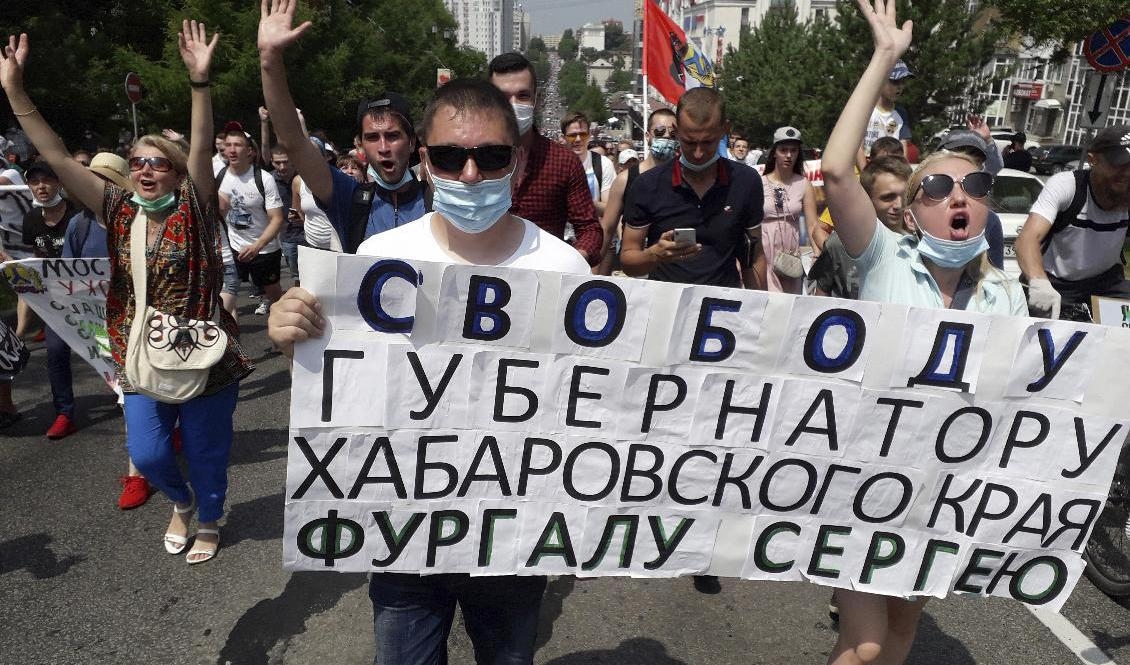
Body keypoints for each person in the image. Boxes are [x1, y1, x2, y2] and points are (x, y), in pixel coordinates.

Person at [265, 74, 586, 665]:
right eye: (449, 156)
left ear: (516, 160)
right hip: (402, 529)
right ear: (425, 159)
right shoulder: (377, 263)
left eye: (490, 157)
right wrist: (296, 340)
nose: (470, 175)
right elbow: (345, 382)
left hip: (512, 531)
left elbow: (590, 405)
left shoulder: (565, 267)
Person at [1, 20, 254, 563]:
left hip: (207, 351)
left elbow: (204, 142)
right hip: (137, 349)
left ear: (177, 171)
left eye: (157, 162)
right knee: (149, 451)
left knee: (208, 450)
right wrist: (16, 94)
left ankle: (208, 518)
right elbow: (63, 160)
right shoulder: (116, 211)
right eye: (136, 162)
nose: (144, 170)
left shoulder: (195, 206)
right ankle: (180, 501)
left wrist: (199, 84)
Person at [820, 1, 1025, 662]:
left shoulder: (1002, 292)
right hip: (860, 477)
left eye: (974, 186)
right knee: (869, 644)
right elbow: (836, 172)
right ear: (911, 213)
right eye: (937, 186)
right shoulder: (882, 257)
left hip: (939, 491)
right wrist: (881, 61)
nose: (958, 196)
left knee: (902, 634)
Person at [65, 152, 156, 509]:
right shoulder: (80, 225)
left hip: (150, 322)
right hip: (104, 324)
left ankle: (166, 435)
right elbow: (66, 276)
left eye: (103, 181)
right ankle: (137, 473)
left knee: (160, 386)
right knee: (126, 395)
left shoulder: (144, 219)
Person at [621, 88, 764, 291]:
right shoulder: (647, 185)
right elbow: (628, 259)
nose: (698, 153)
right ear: (676, 130)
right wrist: (654, 255)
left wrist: (761, 312)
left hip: (723, 309)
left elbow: (755, 256)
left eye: (708, 142)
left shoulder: (746, 182)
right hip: (665, 308)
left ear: (725, 130)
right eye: (689, 142)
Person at [488, 52, 603, 267]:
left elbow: (590, 229)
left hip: (544, 282)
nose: (513, 105)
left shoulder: (564, 162)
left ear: (537, 100)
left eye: (522, 96)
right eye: (503, 98)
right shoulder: (469, 160)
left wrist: (573, 260)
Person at [1015, 123, 1130, 320]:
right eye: (1117, 164)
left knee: (1118, 342)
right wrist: (1039, 282)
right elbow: (1026, 240)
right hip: (1057, 284)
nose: (1127, 173)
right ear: (1093, 160)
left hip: (1107, 284)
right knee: (1046, 342)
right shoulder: (1067, 185)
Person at [20, 160, 80, 438]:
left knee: (108, 351)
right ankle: (64, 413)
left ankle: (129, 397)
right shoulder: (31, 219)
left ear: (58, 182)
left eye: (46, 180)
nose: (41, 187)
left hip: (89, 299)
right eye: (34, 182)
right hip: (55, 302)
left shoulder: (77, 215)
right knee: (55, 353)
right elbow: (36, 257)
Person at [810, 155, 911, 299]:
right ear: (867, 198)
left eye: (905, 196)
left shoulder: (921, 245)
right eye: (888, 197)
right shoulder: (837, 245)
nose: (899, 205)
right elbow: (816, 292)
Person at [594, 108, 678, 276]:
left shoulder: (685, 179)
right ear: (648, 136)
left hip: (670, 274)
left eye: (673, 134)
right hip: (632, 271)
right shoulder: (625, 180)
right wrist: (590, 274)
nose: (667, 137)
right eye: (660, 132)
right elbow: (608, 229)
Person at [217, 121, 286, 315]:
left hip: (264, 250)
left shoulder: (263, 179)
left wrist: (256, 246)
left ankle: (282, 343)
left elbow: (277, 219)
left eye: (237, 145)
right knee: (228, 295)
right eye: (228, 145)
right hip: (233, 247)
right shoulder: (219, 176)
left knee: (274, 298)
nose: (231, 150)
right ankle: (232, 342)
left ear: (249, 151)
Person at [760, 126, 819, 293]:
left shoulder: (804, 184)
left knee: (788, 301)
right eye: (783, 150)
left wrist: (815, 253)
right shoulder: (759, 182)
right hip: (764, 249)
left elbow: (812, 224)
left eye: (793, 151)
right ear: (774, 152)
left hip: (791, 253)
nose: (788, 155)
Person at [857, 58, 913, 170]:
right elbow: (857, 147)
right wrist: (866, 175)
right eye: (895, 81)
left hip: (891, 168)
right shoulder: (864, 109)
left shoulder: (901, 113)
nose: (900, 87)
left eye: (903, 82)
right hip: (865, 167)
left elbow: (903, 148)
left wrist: (903, 173)